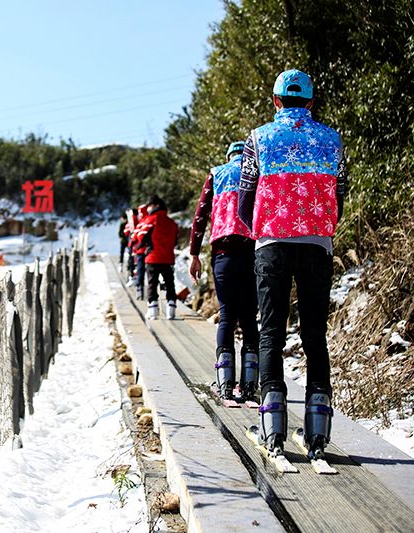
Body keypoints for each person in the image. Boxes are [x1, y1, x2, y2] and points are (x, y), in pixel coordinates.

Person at [238, 69, 348, 460]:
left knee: (271, 332)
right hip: (317, 242)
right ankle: (318, 431)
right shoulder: (332, 139)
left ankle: (273, 428)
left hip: (272, 242)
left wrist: (260, 230)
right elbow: (341, 191)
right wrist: (323, 227)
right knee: (315, 333)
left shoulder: (258, 138)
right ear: (312, 103)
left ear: (275, 101)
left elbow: (245, 195)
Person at [189, 141, 260, 401]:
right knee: (250, 318)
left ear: (228, 156)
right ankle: (251, 384)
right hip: (253, 253)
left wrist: (194, 253)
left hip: (224, 255)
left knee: (227, 316)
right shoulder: (258, 171)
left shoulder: (217, 173)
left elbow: (200, 215)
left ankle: (225, 382)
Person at [138, 195, 179, 320]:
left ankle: (153, 310)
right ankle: (171, 308)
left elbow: (141, 237)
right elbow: (175, 240)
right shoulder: (171, 222)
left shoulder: (150, 220)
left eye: (149, 205)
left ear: (156, 205)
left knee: (152, 283)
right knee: (169, 283)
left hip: (153, 257)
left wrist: (145, 244)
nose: (148, 208)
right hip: (167, 257)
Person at [129, 204, 150, 300]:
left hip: (141, 250)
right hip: (151, 250)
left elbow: (136, 236)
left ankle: (140, 288)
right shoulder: (150, 220)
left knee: (141, 269)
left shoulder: (142, 222)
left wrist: (132, 240)